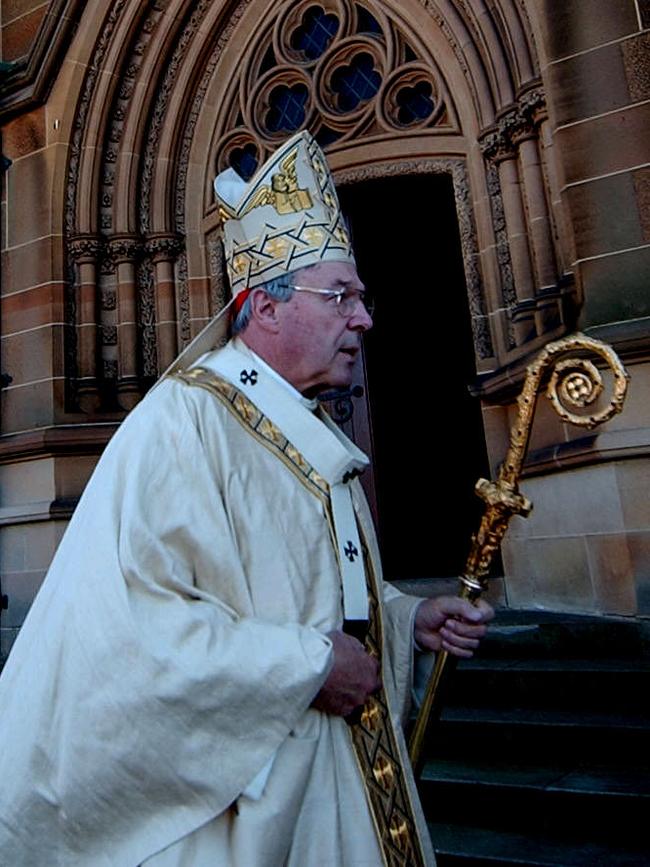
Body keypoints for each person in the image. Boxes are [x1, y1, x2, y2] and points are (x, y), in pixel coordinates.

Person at [0, 130, 493, 866]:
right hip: (243, 818)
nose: (364, 318)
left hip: (338, 780)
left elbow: (305, 596)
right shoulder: (182, 423)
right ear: (264, 306)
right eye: (342, 296)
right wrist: (309, 667)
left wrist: (403, 615)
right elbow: (133, 630)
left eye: (360, 298)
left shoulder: (308, 430)